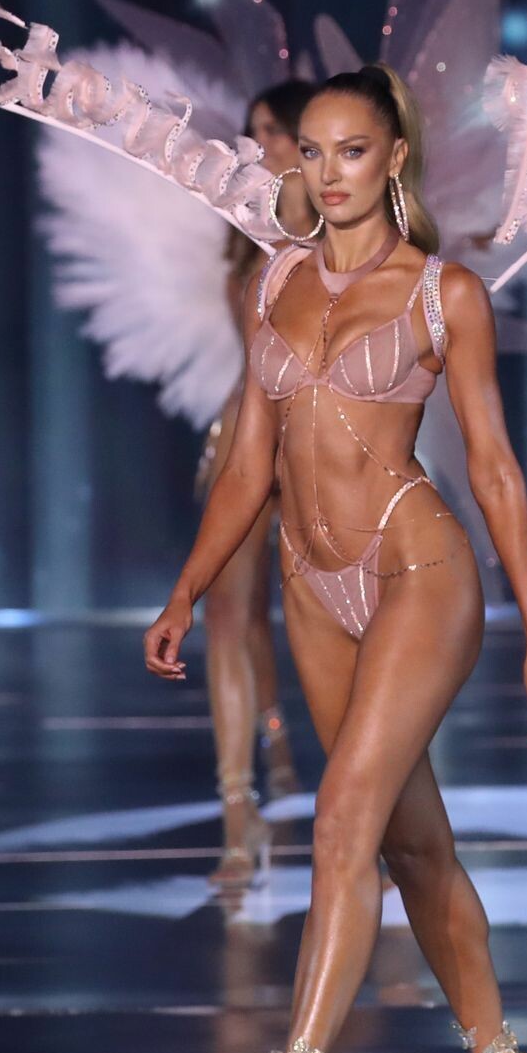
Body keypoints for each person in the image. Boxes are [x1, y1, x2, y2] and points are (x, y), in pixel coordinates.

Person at [143, 64, 527, 1053]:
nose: (328, 173)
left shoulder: (444, 294)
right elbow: (249, 463)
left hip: (416, 571)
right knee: (411, 846)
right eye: (312, 152)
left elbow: (494, 469)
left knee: (339, 823)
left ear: (394, 159)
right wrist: (187, 589)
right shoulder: (273, 283)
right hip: (308, 584)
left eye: (351, 150)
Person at [200, 80, 316, 882]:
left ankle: (367, 810)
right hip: (247, 432)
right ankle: (238, 811)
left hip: (325, 439)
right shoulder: (245, 233)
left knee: (336, 620)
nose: (260, 145)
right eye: (254, 132)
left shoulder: (353, 227)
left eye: (273, 131)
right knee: (229, 615)